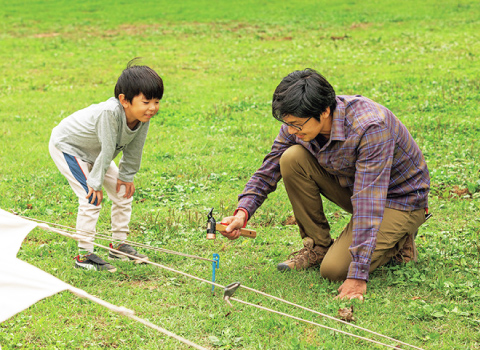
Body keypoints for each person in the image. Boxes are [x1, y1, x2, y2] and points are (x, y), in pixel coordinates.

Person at [220, 69, 430, 300]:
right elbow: (268, 169)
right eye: (287, 123)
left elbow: (368, 204)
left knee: (335, 271)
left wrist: (358, 276)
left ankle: (401, 241)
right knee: (290, 158)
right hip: (355, 188)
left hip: (400, 200)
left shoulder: (370, 127)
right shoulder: (299, 121)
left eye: (297, 125)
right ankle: (318, 248)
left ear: (325, 111)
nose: (291, 131)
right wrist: (243, 212)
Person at [49, 59, 164, 272]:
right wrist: (95, 182)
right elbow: (109, 146)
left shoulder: (141, 117)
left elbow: (135, 148)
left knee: (123, 192)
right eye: (146, 101)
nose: (152, 108)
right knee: (91, 198)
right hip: (69, 148)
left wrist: (126, 176)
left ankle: (118, 246)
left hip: (98, 153)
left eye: (156, 101)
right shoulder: (110, 113)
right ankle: (83, 256)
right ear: (124, 100)